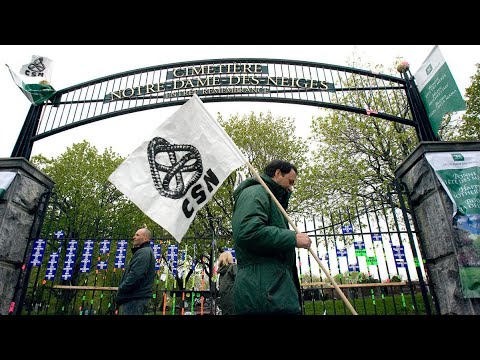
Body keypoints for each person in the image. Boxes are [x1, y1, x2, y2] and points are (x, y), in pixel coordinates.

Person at [232, 159, 312, 315]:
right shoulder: (256, 192)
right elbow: (248, 231)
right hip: (264, 293)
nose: (291, 187)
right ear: (277, 173)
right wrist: (292, 238)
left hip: (271, 290)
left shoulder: (270, 198)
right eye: (290, 181)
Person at [116, 227, 156, 315]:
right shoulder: (144, 252)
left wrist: (122, 288)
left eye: (137, 235)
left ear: (145, 238)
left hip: (135, 299)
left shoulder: (143, 252)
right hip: (135, 298)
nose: (134, 237)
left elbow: (136, 275)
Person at [217, 251, 237, 315]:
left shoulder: (221, 272)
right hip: (233, 299)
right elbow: (239, 281)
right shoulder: (233, 267)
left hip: (223, 300)